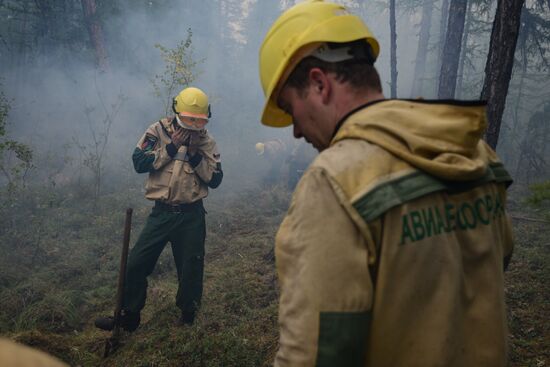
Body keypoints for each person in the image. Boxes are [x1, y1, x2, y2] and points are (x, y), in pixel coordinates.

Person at [258, 1, 514, 366]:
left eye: (290, 108)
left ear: (318, 84)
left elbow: (318, 353)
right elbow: (493, 263)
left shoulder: (334, 180)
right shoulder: (476, 153)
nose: (296, 130)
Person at [96, 87, 223, 331]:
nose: (193, 125)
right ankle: (129, 316)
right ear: (178, 112)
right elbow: (139, 162)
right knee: (135, 263)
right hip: (161, 213)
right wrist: (172, 148)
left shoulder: (207, 142)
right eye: (188, 119)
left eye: (199, 120)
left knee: (191, 267)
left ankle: (188, 317)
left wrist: (196, 155)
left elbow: (216, 180)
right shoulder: (158, 131)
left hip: (192, 216)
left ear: (206, 117)